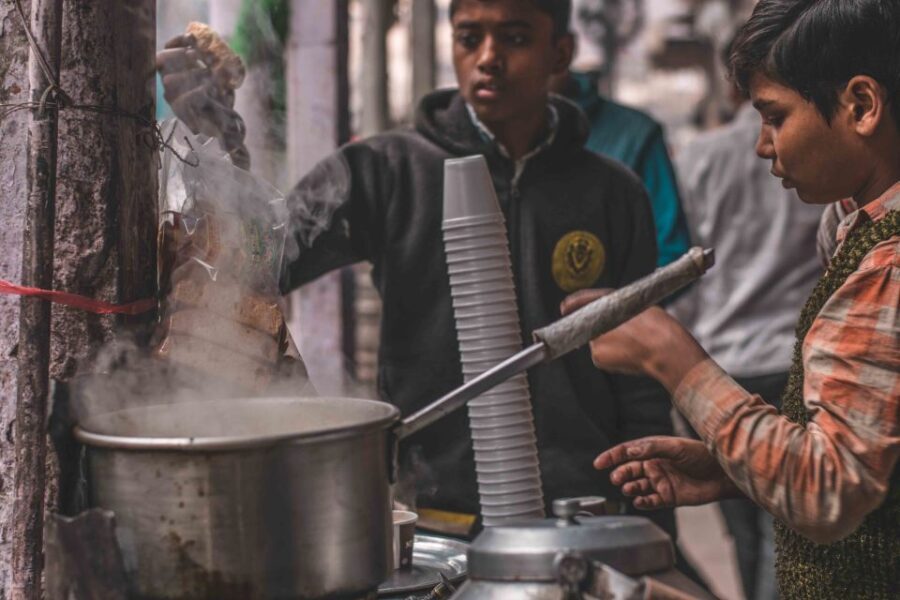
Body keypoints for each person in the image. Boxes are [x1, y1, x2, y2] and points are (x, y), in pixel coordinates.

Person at [158, 0, 676, 539]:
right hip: (439, 520)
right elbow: (261, 263)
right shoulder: (386, 170)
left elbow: (641, 378)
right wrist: (220, 151)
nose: (488, 58)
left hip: (582, 516)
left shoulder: (612, 192)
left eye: (516, 38)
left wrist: (654, 529)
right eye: (469, 38)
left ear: (561, 53)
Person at [564, 0, 900, 596]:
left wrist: (672, 357)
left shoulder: (887, 267)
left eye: (775, 117)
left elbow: (829, 488)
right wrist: (732, 469)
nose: (763, 146)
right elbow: (872, 456)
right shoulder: (854, 223)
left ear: (861, 106)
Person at [670, 52, 823, 598]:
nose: (766, 146)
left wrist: (672, 353)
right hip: (789, 358)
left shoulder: (702, 157)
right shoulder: (821, 156)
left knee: (757, 532)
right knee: (781, 528)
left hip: (719, 364)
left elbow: (680, 264)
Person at [554, 70, 692, 268]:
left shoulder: (635, 136)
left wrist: (624, 289)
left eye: (516, 45)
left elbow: (671, 252)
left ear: (561, 55)